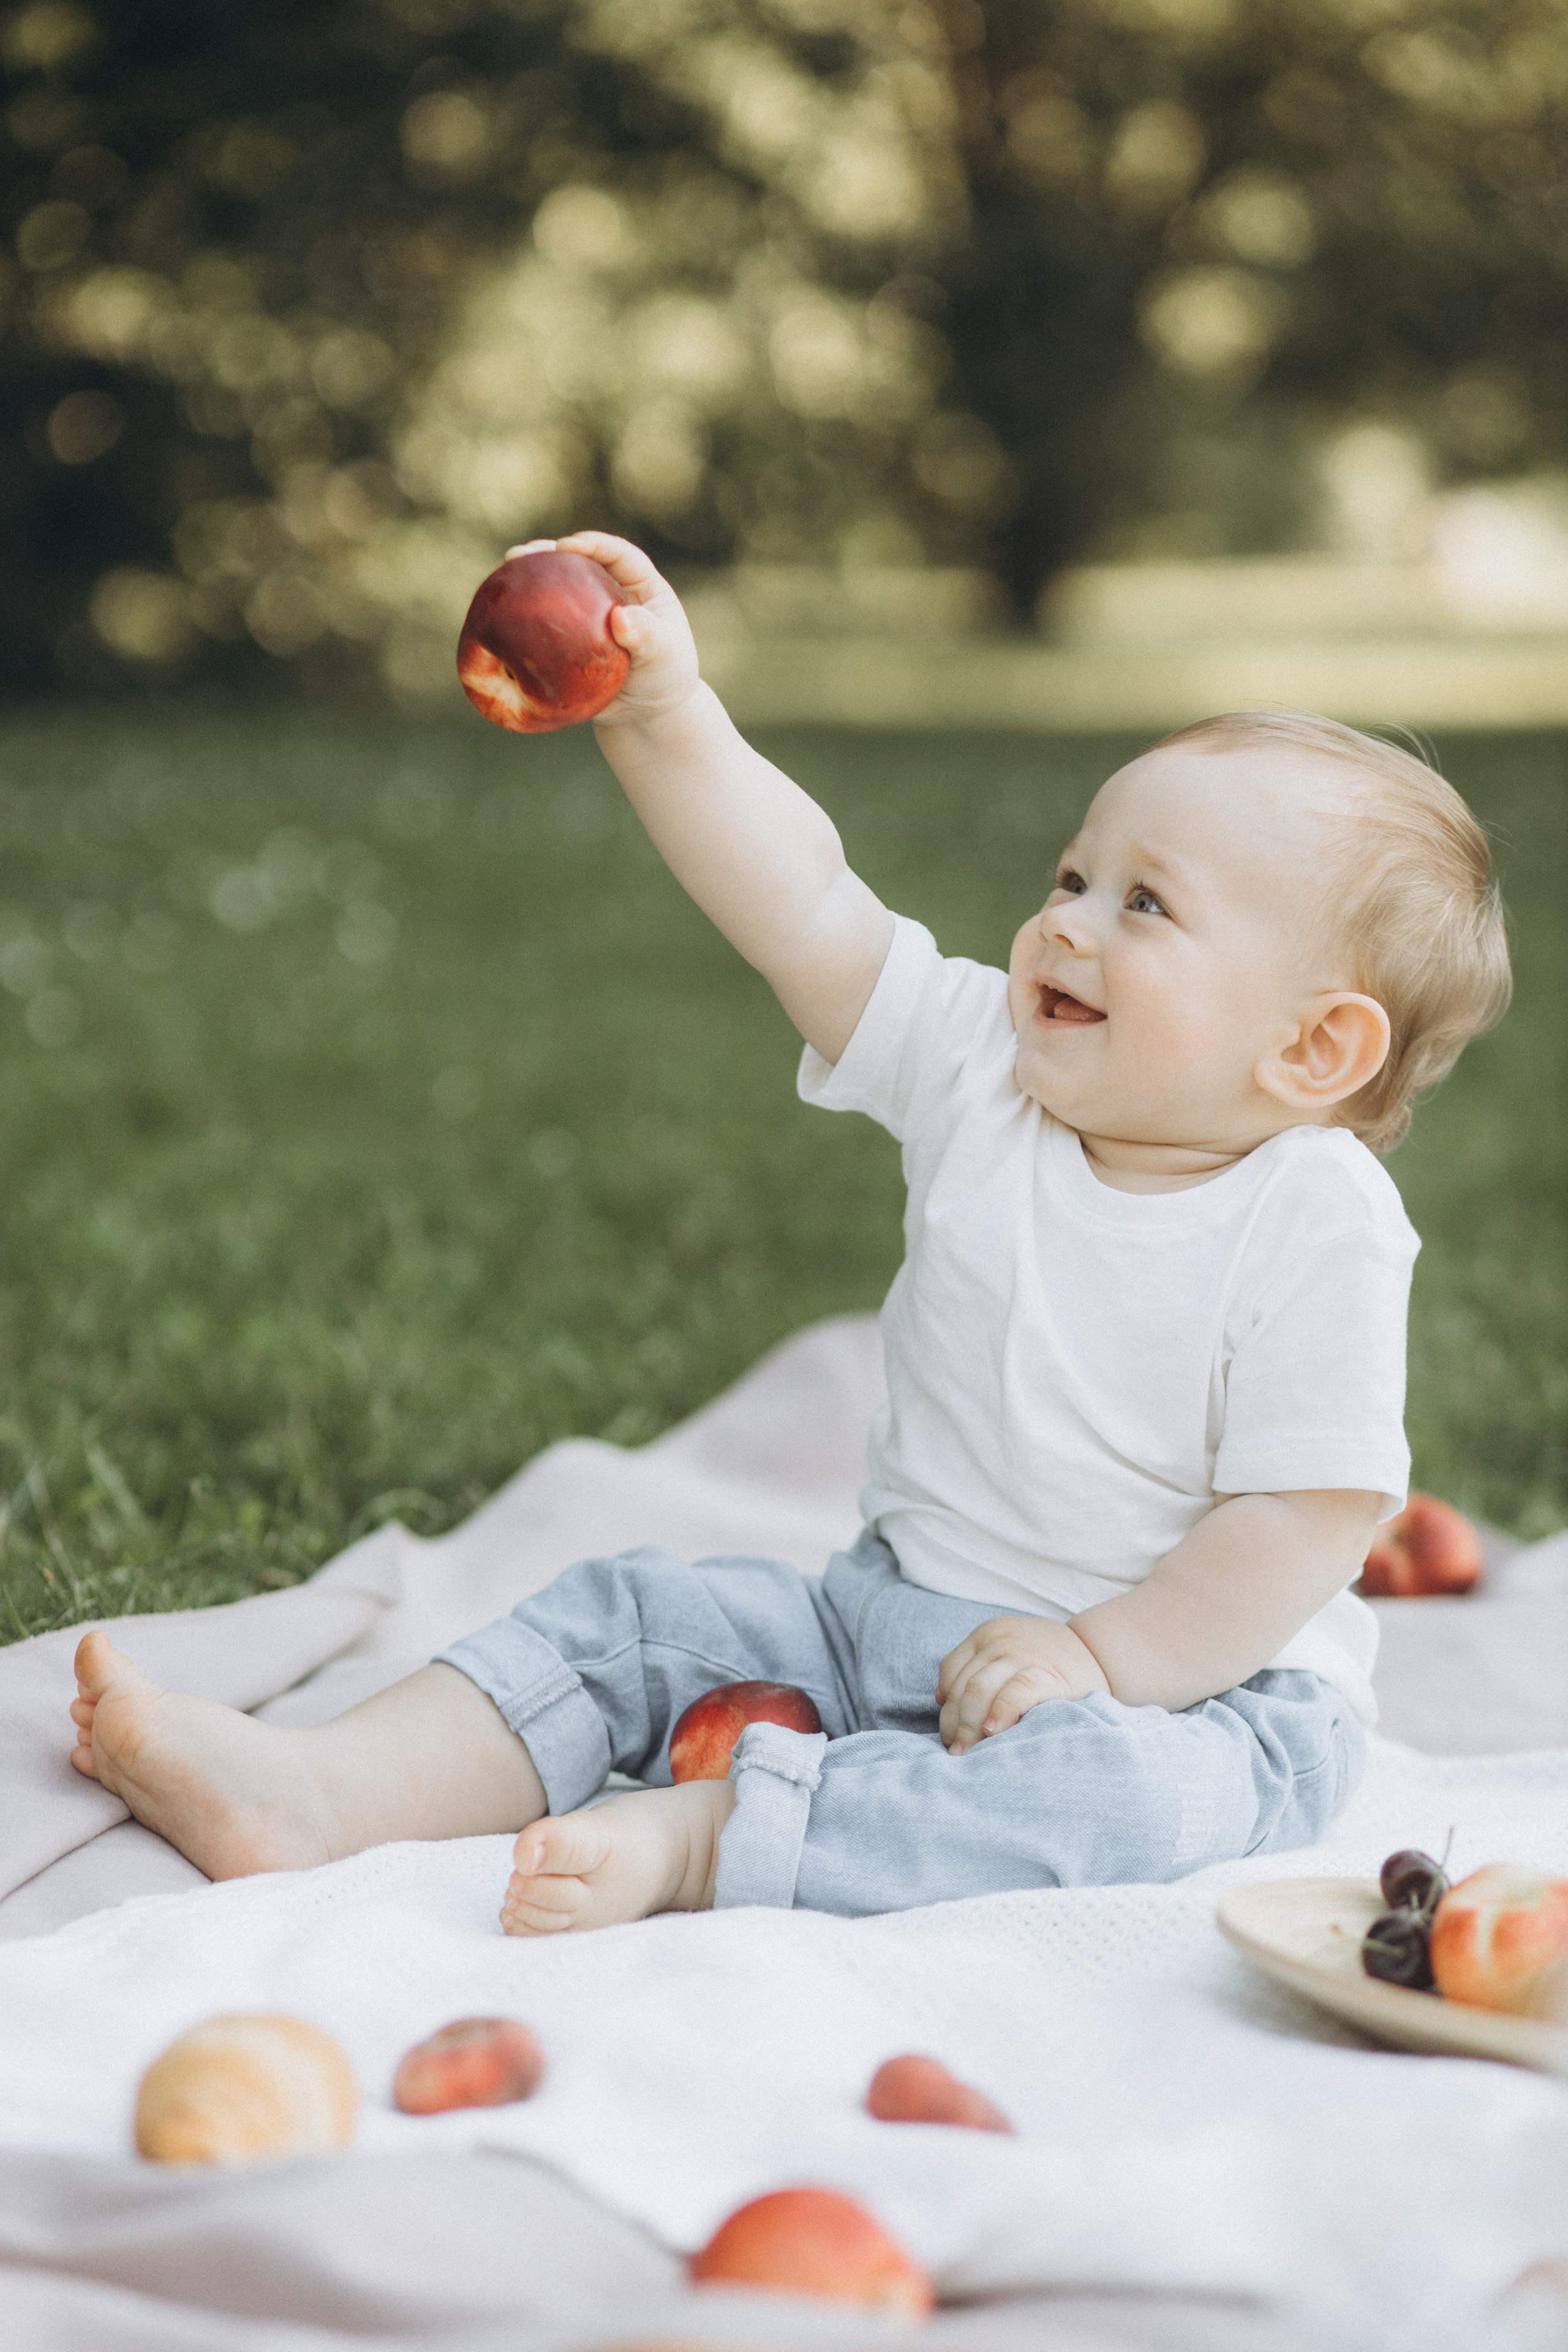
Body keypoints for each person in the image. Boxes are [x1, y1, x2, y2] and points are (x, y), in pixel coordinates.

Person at [69, 533, 1511, 1931]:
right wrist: (661, 714)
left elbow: (1302, 1516)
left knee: (1105, 1798)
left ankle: (719, 1835)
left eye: (1144, 905)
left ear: (1313, 1052)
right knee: (631, 1617)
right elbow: (807, 909)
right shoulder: (981, 1069)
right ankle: (325, 1789)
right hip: (883, 1620)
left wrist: (1098, 1661)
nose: (1063, 924)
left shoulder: (1310, 1221)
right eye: (1071, 878)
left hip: (1198, 1695)